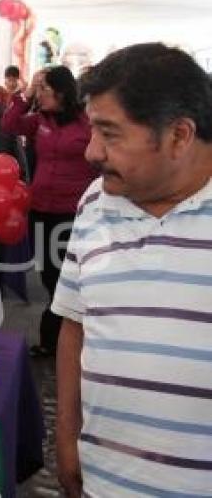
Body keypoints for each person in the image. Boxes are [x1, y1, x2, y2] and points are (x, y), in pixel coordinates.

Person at [53, 43, 212, 497]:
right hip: (105, 481)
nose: (91, 152)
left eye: (110, 133)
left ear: (179, 135)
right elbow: (74, 326)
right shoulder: (94, 202)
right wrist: (66, 437)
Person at [1, 65, 98, 357]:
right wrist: (25, 94)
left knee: (64, 275)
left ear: (62, 91)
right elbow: (9, 124)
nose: (40, 95)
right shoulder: (40, 120)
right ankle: (59, 337)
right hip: (41, 208)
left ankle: (56, 338)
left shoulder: (87, 123)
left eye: (45, 89)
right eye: (39, 90)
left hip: (73, 211)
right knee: (47, 274)